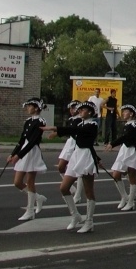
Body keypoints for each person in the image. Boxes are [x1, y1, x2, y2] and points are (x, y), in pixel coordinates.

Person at [43, 101, 100, 232]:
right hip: (76, 155)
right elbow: (74, 133)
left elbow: (78, 132)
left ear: (90, 112)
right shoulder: (80, 123)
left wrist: (56, 129)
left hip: (86, 156)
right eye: (79, 109)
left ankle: (89, 221)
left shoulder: (93, 124)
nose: (80, 111)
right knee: (64, 187)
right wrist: (57, 132)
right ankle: (75, 215)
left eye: (83, 109)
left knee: (88, 191)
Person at [6, 98, 48, 221]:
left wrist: (19, 155)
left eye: (30, 106)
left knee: (30, 182)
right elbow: (22, 140)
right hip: (24, 150)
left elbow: (33, 141)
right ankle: (38, 198)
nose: (27, 108)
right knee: (17, 182)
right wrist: (13, 153)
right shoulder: (28, 121)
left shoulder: (40, 121)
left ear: (36, 108)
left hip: (32, 151)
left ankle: (30, 210)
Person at [106, 104, 136, 211]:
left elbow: (126, 137)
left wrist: (112, 144)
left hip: (132, 151)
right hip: (124, 150)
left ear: (131, 114)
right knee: (116, 174)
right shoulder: (127, 125)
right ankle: (124, 197)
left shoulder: (135, 126)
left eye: (126, 111)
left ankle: (131, 202)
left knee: (132, 176)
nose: (123, 113)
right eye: (123, 112)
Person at [57, 100, 83, 202]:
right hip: (70, 143)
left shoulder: (80, 120)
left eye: (74, 108)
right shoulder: (72, 119)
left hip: (78, 145)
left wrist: (57, 131)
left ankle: (78, 194)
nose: (72, 110)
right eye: (71, 108)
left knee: (79, 170)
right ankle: (72, 187)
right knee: (61, 167)